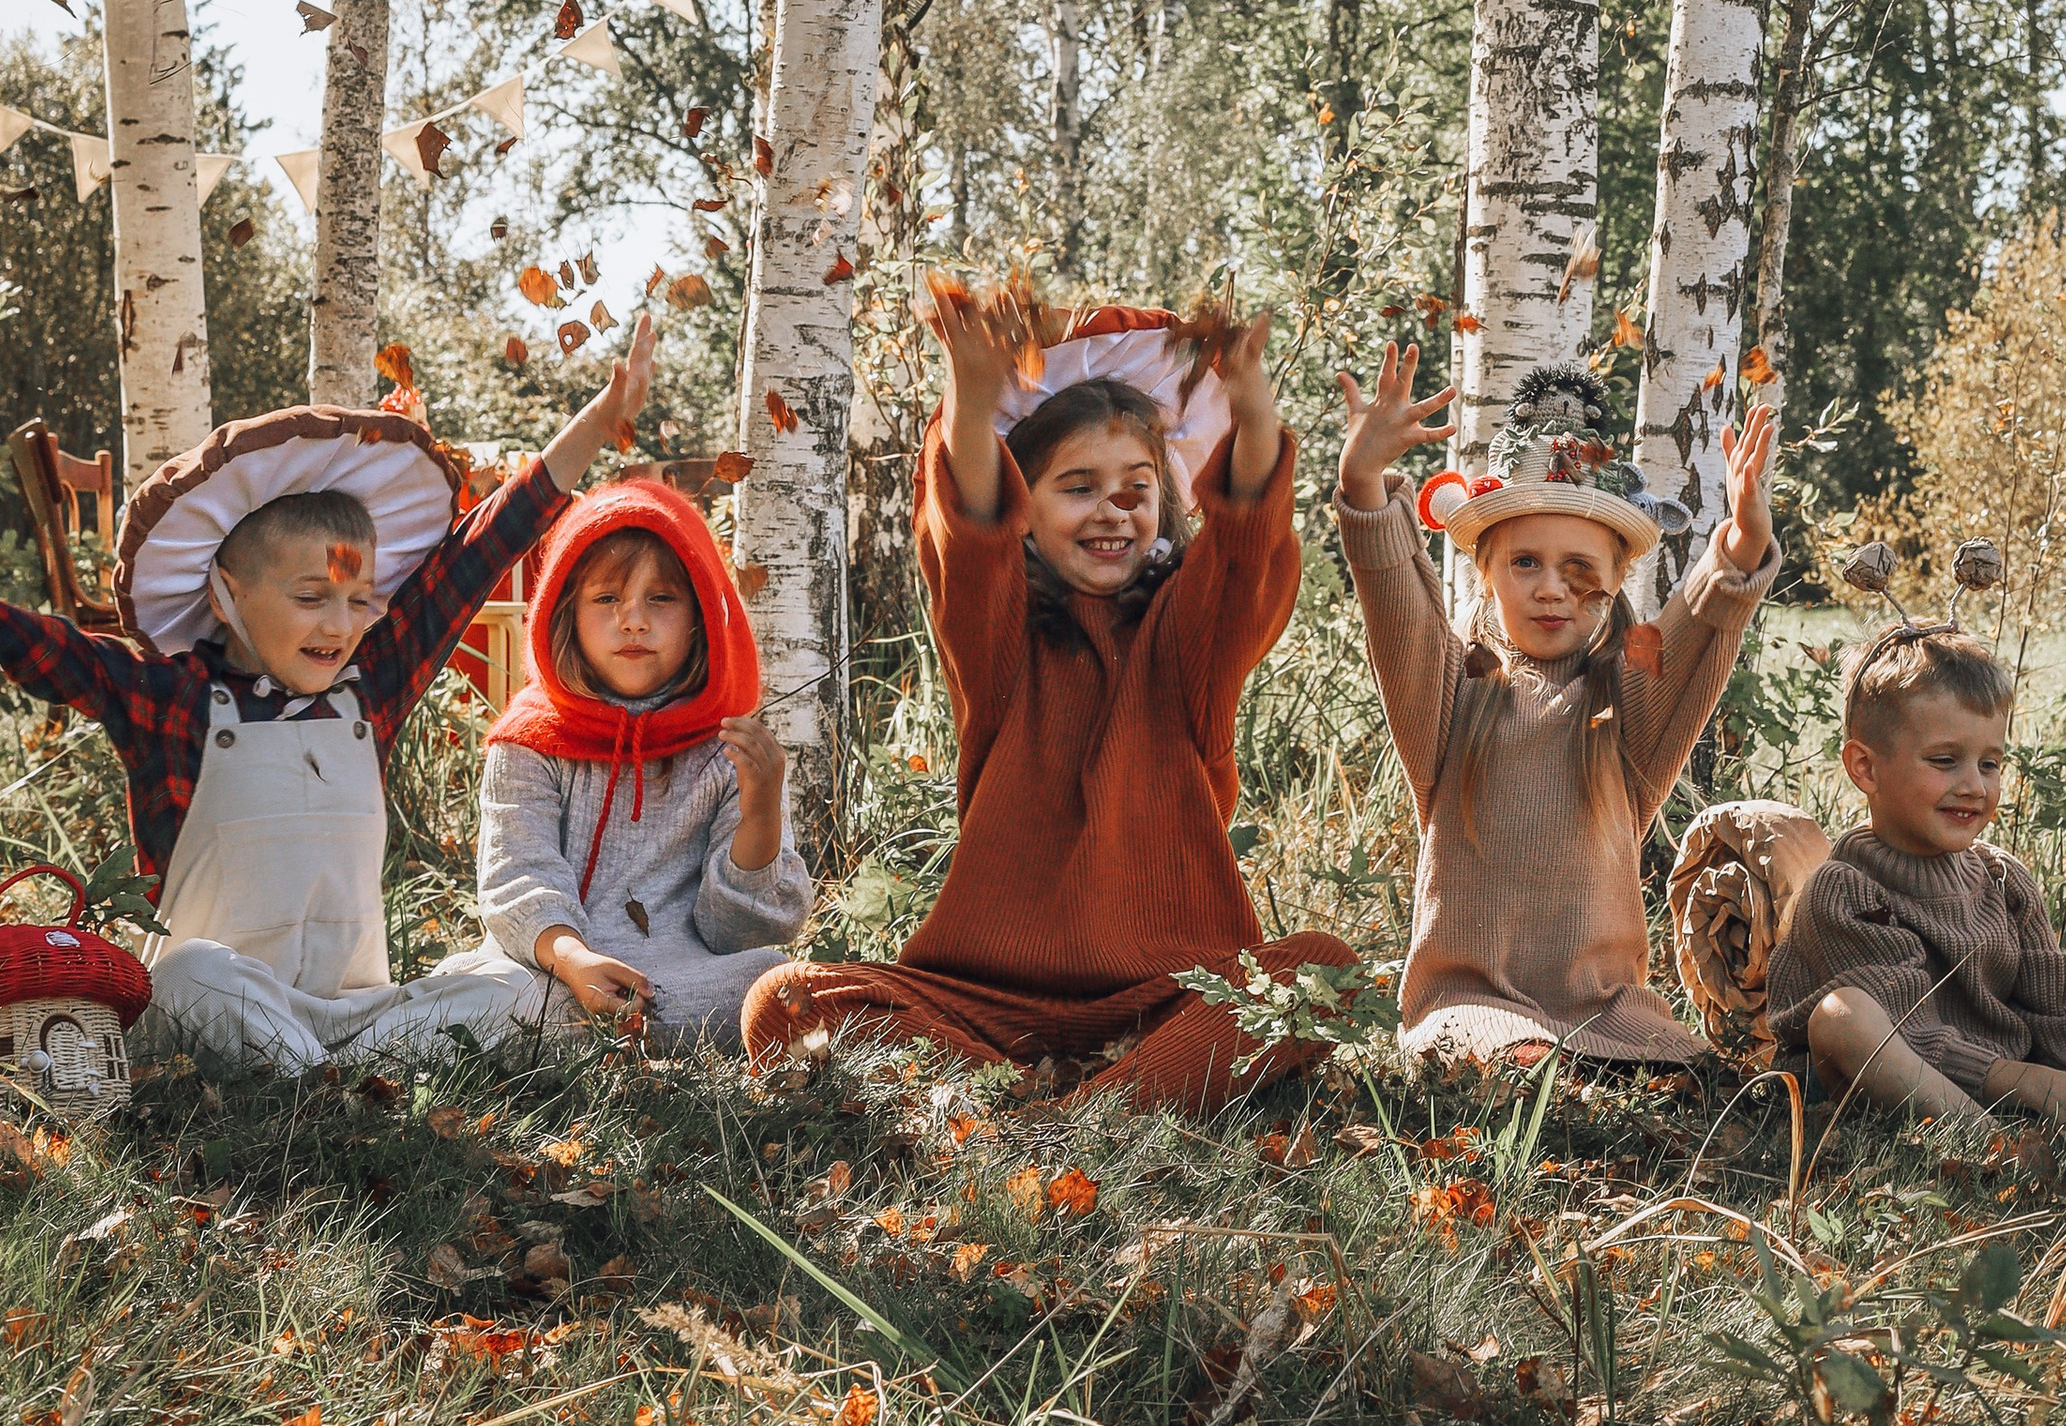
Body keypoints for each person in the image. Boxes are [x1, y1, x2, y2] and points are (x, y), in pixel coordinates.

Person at [0, 324, 659, 1074]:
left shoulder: (369, 690)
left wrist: (598, 421)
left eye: (358, 599)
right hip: (221, 1006)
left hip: (354, 1014)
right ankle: (328, 1079)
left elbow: (482, 547)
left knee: (516, 988)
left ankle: (322, 1074)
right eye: (311, 596)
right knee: (185, 972)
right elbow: (23, 640)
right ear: (229, 590)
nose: (339, 625)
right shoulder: (173, 700)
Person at [742, 277, 1354, 1113]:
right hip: (991, 1004)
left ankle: (1087, 1115)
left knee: (1323, 970)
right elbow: (969, 538)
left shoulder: (1188, 642)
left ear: (1166, 504)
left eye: (1137, 486)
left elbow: (1247, 548)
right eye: (1078, 486)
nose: (1114, 507)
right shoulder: (1000, 640)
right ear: (1026, 509)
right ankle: (1095, 1092)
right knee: (786, 998)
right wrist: (973, 395)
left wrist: (1251, 408)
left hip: (1170, 995)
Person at [1335, 347, 1780, 1067]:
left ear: (1614, 577)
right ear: (1484, 570)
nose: (1551, 589)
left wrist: (1742, 545)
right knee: (1521, 1062)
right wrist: (1362, 482)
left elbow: (1697, 635)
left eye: (1579, 570)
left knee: (1696, 1075)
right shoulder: (1452, 690)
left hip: (1607, 1005)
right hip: (1471, 1000)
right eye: (1525, 562)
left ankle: (1604, 1073)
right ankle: (1539, 1071)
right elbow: (1398, 611)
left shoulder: (1629, 700)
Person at [448, 471, 810, 1046]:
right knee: (498, 999)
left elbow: (729, 933)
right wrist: (573, 960)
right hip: (547, 968)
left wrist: (762, 816)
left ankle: (607, 1029)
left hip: (678, 972)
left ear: (699, 620)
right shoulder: (529, 739)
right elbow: (518, 876)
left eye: (661, 598)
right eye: (607, 598)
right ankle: (598, 1027)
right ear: (565, 613)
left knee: (768, 981)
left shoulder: (727, 750)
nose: (634, 619)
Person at [1766, 620, 2066, 1130]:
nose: (1973, 786)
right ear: (1865, 768)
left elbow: (2055, 1004)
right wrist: (2034, 1082)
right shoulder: (1847, 890)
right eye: (1944, 761)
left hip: (1995, 1073)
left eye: (1990, 764)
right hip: (1871, 1077)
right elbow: (1908, 1025)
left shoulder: (2002, 879)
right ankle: (1988, 1142)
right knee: (1842, 1014)